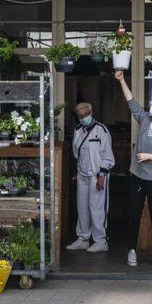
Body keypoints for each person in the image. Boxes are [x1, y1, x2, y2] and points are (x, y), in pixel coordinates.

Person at [117, 69, 152, 266]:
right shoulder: (144, 120)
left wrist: (149, 156)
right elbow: (131, 101)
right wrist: (122, 80)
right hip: (137, 176)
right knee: (134, 214)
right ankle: (131, 251)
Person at [66, 101, 115, 253]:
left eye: (85, 114)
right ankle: (83, 239)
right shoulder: (78, 130)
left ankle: (101, 241)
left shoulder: (101, 130)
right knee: (82, 208)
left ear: (91, 113)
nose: (83, 117)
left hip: (97, 175)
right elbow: (77, 153)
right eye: (80, 116)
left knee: (97, 208)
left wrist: (102, 175)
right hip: (82, 174)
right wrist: (78, 171)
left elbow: (108, 156)